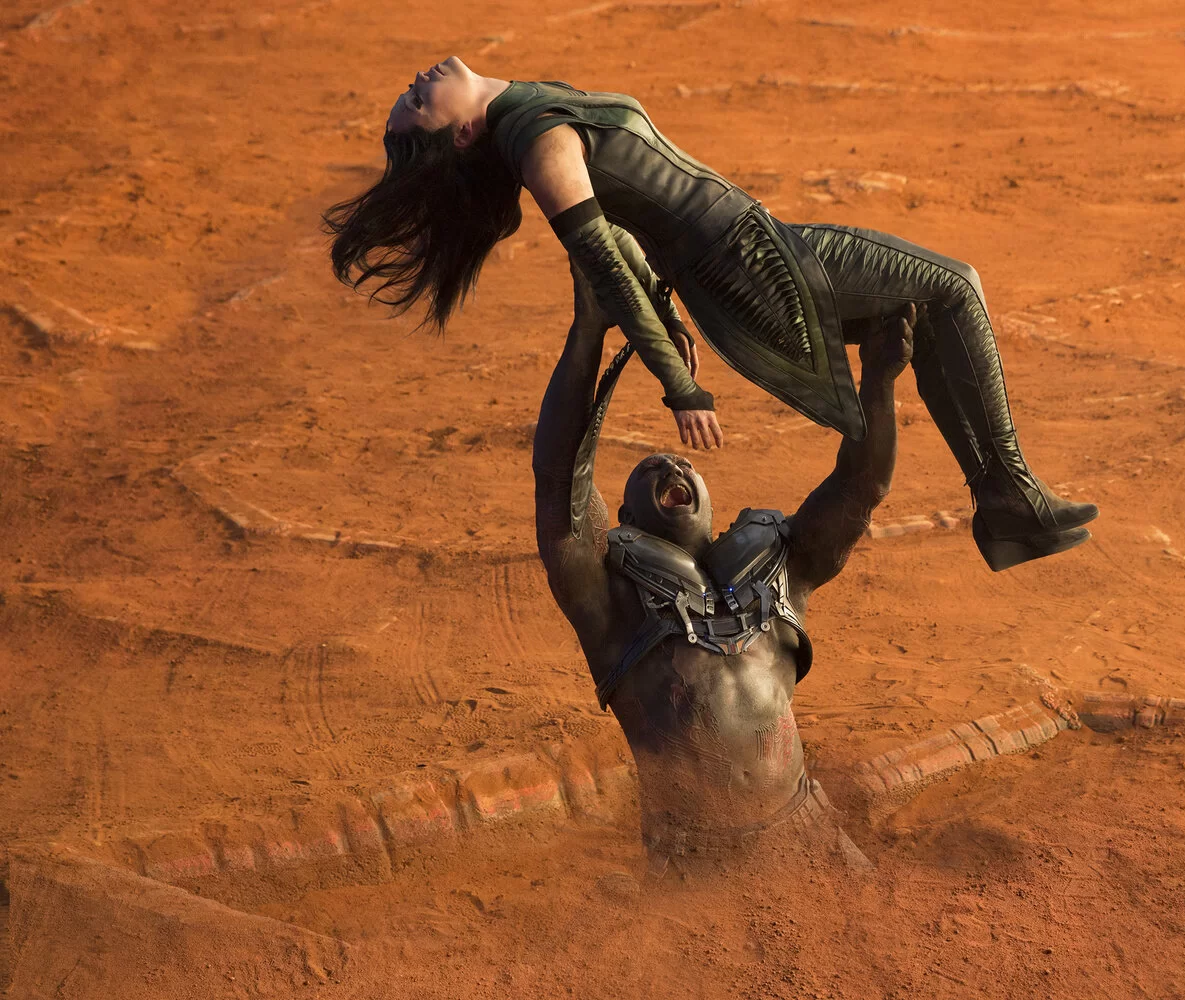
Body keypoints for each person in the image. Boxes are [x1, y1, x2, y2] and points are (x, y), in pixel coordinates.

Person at [325, 57, 1097, 571]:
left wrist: (667, 314)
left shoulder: (532, 113)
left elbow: (624, 232)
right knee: (955, 285)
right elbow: (602, 263)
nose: (419, 82)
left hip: (756, 246)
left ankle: (1002, 500)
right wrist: (678, 382)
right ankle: (1010, 494)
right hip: (754, 266)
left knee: (928, 310)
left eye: (411, 92)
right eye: (419, 102)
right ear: (464, 133)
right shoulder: (537, 140)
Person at [530, 244, 909, 876]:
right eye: (651, 470)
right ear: (625, 520)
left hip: (811, 832)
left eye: (683, 464)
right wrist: (589, 332)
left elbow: (861, 485)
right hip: (699, 861)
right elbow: (558, 484)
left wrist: (880, 381)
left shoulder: (780, 566)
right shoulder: (609, 599)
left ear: (711, 507)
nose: (672, 464)